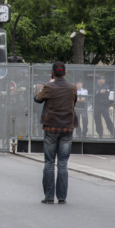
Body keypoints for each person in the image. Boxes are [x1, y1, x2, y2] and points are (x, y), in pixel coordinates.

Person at [34, 61, 78, 205]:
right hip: (67, 128)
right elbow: (74, 103)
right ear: (65, 72)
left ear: (52, 72)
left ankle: (48, 196)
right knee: (63, 163)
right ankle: (62, 197)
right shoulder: (72, 88)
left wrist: (50, 82)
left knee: (49, 163)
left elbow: (37, 98)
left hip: (51, 128)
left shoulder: (49, 87)